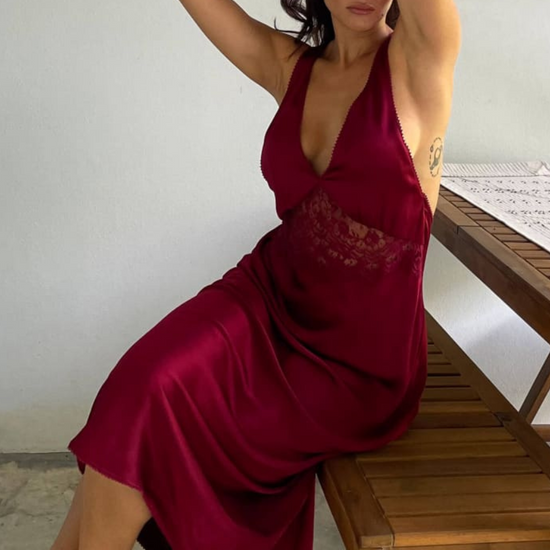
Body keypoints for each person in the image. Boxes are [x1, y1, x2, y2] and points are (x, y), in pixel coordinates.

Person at [50, 0, 461, 549]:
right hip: (268, 295)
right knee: (137, 389)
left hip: (358, 366)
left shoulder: (420, 60)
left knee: (152, 416)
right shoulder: (290, 67)